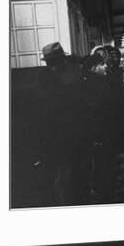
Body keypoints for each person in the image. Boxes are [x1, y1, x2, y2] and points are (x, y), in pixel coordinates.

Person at [35, 43, 91, 206]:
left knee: (78, 177)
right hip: (61, 139)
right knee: (66, 180)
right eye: (49, 62)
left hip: (75, 137)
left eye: (54, 61)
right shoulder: (48, 78)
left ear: (61, 59)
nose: (52, 66)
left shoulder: (65, 76)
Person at [81, 53, 121, 203]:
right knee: (103, 170)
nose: (105, 66)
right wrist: (98, 137)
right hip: (101, 136)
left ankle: (106, 194)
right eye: (102, 64)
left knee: (105, 169)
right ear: (93, 68)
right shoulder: (92, 85)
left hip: (104, 135)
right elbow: (96, 113)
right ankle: (105, 197)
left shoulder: (97, 82)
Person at [104, 45, 124, 151]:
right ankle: (120, 144)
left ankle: (123, 143)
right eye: (113, 56)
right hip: (114, 100)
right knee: (118, 123)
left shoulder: (118, 70)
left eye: (117, 56)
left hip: (120, 100)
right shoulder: (109, 70)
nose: (115, 58)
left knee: (121, 123)